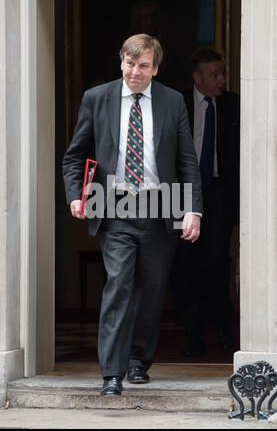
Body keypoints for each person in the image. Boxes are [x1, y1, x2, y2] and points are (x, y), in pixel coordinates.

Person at [62, 34, 203, 396]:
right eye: (129, 63)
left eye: (143, 66)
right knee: (118, 284)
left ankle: (139, 360)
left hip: (162, 203)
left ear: (155, 69)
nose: (134, 72)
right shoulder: (97, 98)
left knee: (152, 289)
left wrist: (193, 210)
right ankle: (112, 372)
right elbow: (74, 155)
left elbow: (187, 160)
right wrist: (76, 196)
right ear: (121, 62)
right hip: (114, 205)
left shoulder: (173, 101)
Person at [171, 48, 240, 356]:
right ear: (197, 78)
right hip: (181, 194)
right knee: (183, 267)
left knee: (215, 263)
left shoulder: (234, 106)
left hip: (218, 194)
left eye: (222, 73)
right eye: (215, 74)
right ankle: (194, 334)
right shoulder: (177, 103)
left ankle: (224, 329)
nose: (222, 79)